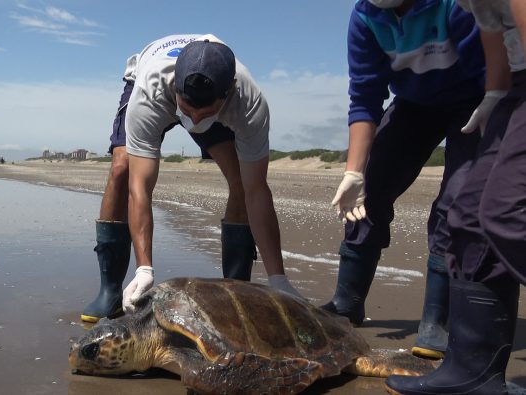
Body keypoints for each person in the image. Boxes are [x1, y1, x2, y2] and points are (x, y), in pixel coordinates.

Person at [321, 0, 485, 360]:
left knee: (455, 204)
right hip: (414, 105)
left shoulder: (454, 6)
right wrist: (353, 172)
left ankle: (436, 320)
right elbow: (365, 97)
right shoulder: (366, 17)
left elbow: (488, 66)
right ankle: (347, 302)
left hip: (476, 99)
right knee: (371, 189)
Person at [109, 33, 303, 316]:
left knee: (240, 182)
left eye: (204, 112)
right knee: (123, 168)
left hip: (218, 102)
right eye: (189, 110)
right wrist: (144, 268)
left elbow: (256, 190)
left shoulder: (248, 102)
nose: (195, 120)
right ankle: (109, 288)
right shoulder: (150, 88)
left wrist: (278, 279)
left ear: (231, 91)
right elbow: (140, 187)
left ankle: (236, 288)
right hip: (155, 86)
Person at [385, 0, 525, 392]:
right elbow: (497, 51)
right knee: (467, 218)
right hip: (515, 86)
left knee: (509, 213)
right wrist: (494, 98)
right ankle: (473, 374)